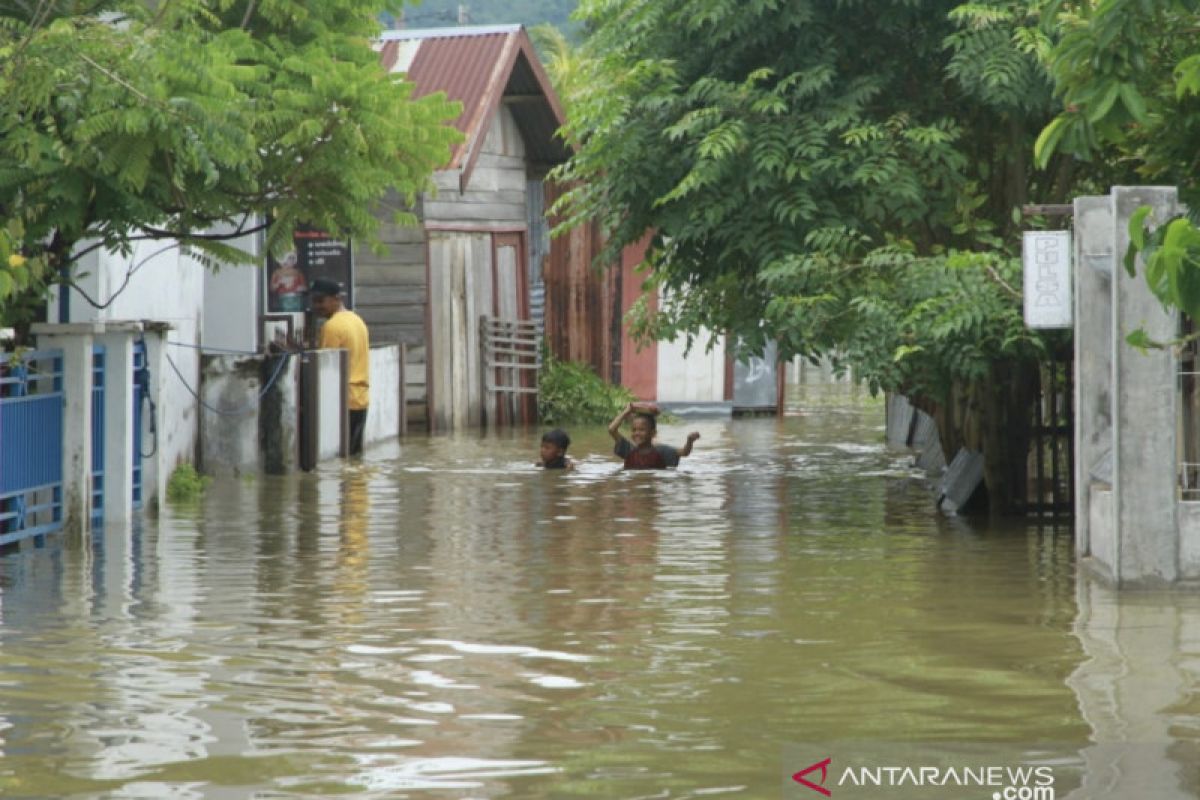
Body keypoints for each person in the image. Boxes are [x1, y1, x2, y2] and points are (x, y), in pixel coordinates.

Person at [309, 278, 370, 456]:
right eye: (314, 301)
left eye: (321, 301)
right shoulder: (357, 320)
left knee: (340, 458)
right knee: (354, 456)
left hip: (343, 401)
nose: (317, 306)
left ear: (337, 299)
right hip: (361, 399)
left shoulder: (332, 326)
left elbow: (326, 368)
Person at [608, 402, 700, 470]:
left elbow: (684, 452)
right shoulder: (628, 450)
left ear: (653, 433)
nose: (637, 433)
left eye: (641, 430)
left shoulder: (661, 451)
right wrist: (626, 412)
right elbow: (612, 429)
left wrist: (689, 441)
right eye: (634, 430)